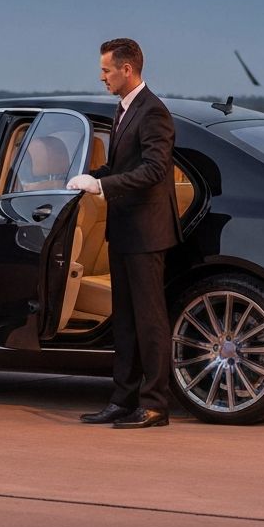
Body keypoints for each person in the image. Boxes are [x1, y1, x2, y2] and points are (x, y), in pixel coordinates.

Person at [67, 38, 182, 429]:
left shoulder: (153, 112)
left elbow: (153, 170)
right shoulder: (123, 110)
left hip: (147, 233)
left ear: (127, 69)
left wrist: (103, 187)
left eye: (106, 70)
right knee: (127, 320)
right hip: (125, 230)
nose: (102, 77)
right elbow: (124, 164)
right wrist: (90, 178)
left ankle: (154, 406)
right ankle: (122, 399)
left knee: (150, 321)